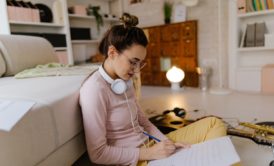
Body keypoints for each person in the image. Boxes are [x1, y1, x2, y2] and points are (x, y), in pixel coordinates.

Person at [79, 13, 227, 166]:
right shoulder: (94, 90)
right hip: (136, 159)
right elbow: (98, 154)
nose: (136, 71)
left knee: (213, 123)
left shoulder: (124, 80)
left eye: (140, 63)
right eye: (133, 62)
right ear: (112, 53)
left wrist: (167, 143)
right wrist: (150, 153)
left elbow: (144, 123)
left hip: (153, 146)